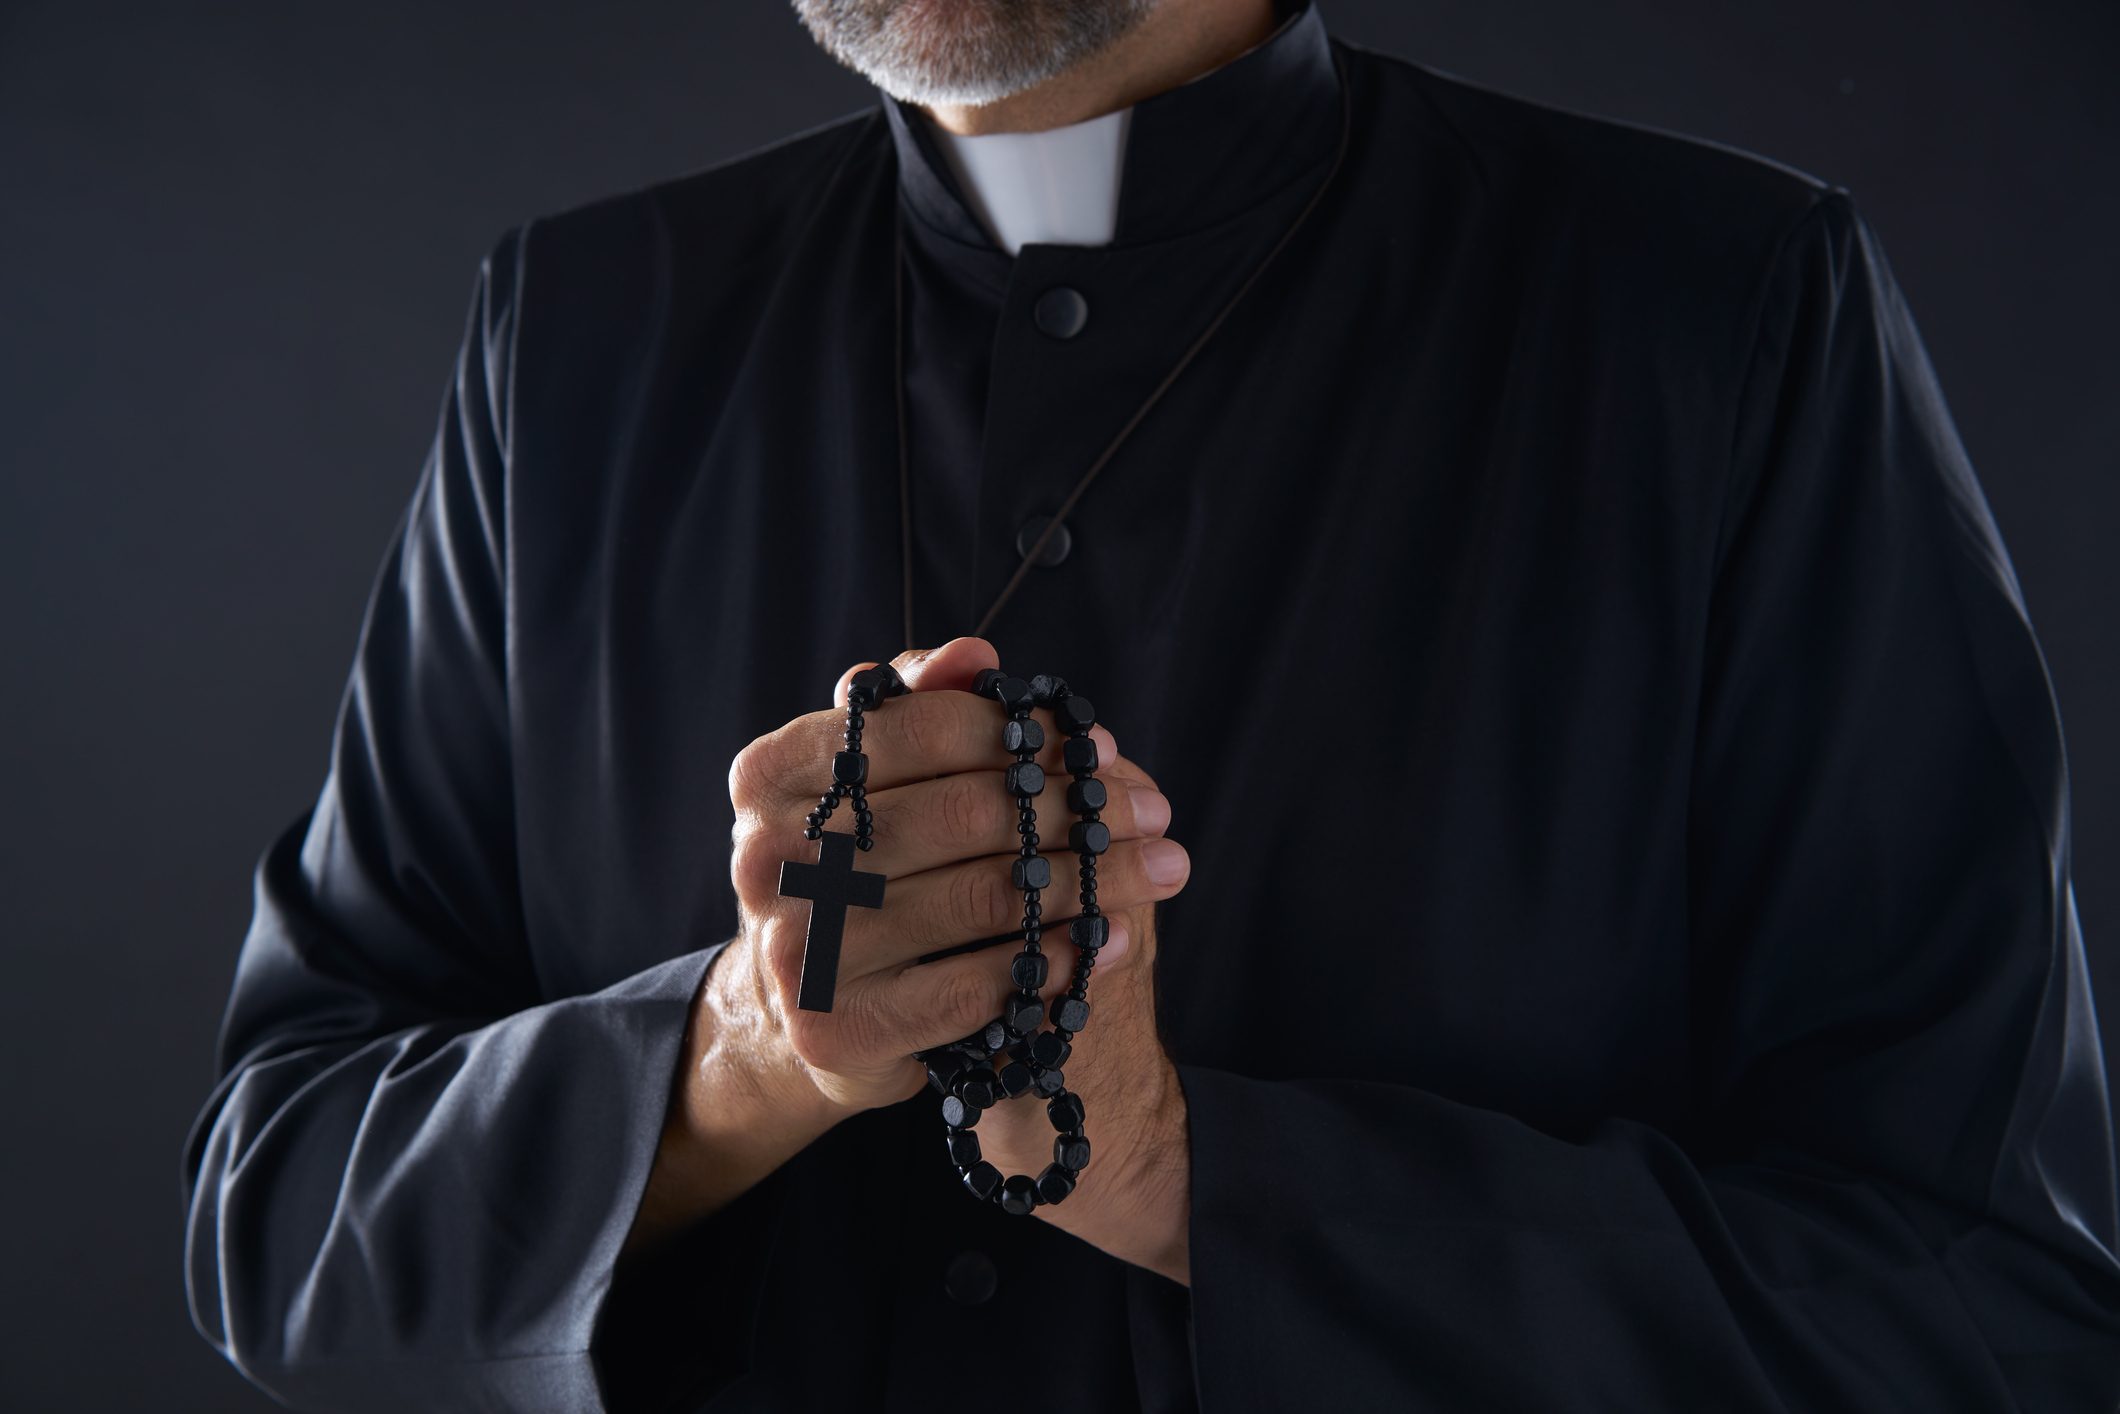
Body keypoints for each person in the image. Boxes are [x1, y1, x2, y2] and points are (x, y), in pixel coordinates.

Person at [180, 0, 2120, 1408]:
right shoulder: (579, 332)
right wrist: (742, 1052)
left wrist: (1192, 1170)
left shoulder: (1723, 310)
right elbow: (277, 1226)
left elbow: (1987, 1320)